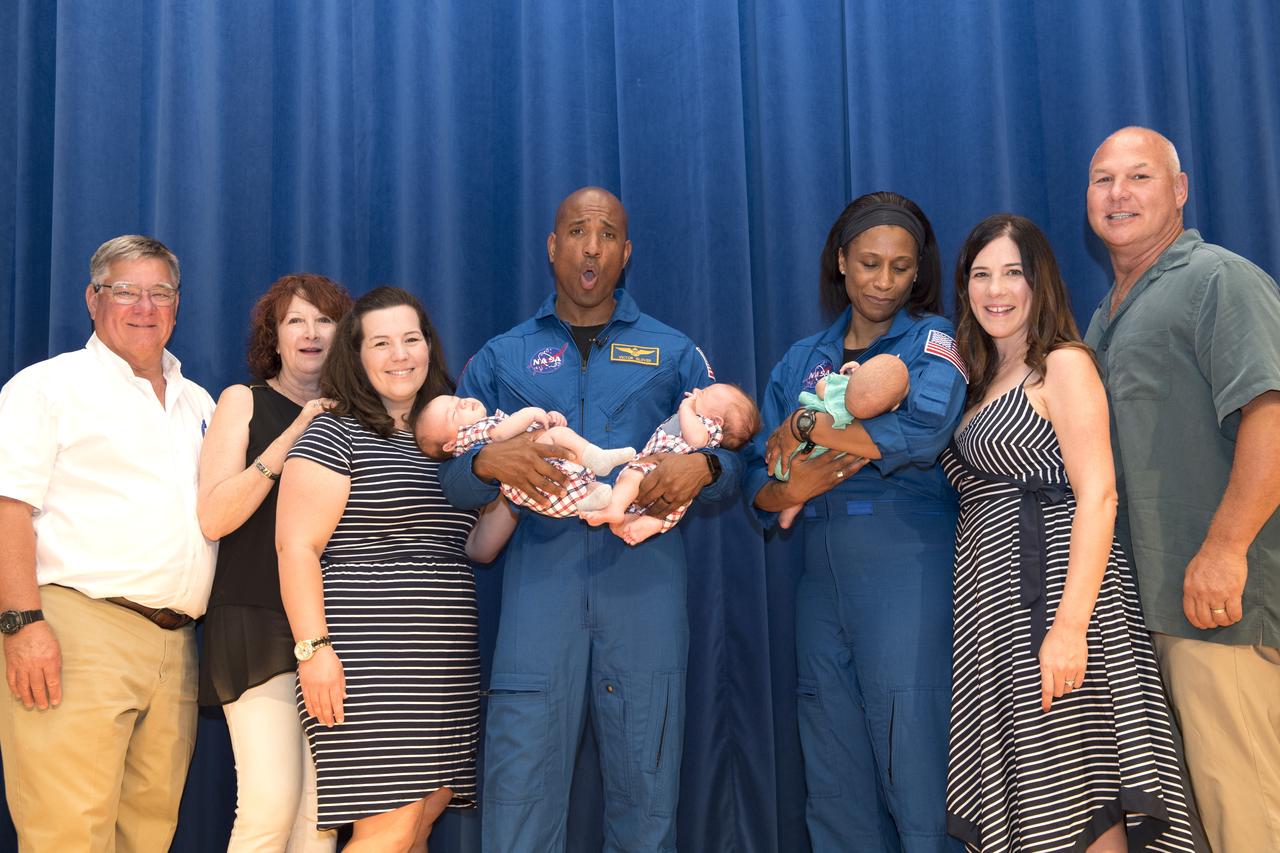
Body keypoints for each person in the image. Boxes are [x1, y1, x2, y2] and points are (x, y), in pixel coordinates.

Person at [439, 187, 743, 851]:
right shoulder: (502, 357)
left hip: (644, 595)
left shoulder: (673, 351)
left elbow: (737, 457)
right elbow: (452, 477)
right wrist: (491, 461)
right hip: (538, 603)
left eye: (608, 235)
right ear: (553, 247)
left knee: (647, 801)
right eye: (578, 231)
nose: (593, 246)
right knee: (518, 800)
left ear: (626, 253)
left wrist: (707, 469)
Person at [943, 213, 1196, 851]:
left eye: (1012, 274)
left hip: (1055, 613)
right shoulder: (976, 382)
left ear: (1040, 284)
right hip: (992, 627)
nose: (995, 290)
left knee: (1079, 801)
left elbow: (1099, 497)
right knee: (1029, 806)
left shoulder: (1063, 365)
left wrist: (1070, 628)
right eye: (981, 275)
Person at [745, 192, 966, 852]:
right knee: (833, 768)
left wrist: (815, 432)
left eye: (901, 267)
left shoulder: (934, 340)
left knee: (917, 758)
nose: (884, 280)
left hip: (906, 560)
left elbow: (924, 432)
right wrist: (800, 479)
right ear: (841, 262)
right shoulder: (799, 358)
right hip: (820, 574)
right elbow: (762, 481)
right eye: (869, 262)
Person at [1083, 126, 1280, 852]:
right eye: (1104, 180)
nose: (1119, 194)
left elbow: (1271, 412)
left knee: (1247, 809)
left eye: (1139, 177)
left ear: (1180, 189)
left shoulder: (1217, 279)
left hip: (1221, 605)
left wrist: (1226, 548)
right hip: (1153, 610)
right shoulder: (1106, 313)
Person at [275, 286, 512, 850]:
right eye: (380, 343)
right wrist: (314, 651)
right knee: (391, 826)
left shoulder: (456, 441)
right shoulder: (336, 432)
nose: (399, 354)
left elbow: (478, 548)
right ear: (355, 356)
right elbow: (296, 547)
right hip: (370, 664)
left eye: (411, 338)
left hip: (446, 663)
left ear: (429, 346)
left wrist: (514, 490)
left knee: (423, 817)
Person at [0, 235, 216, 850]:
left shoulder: (197, 401)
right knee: (66, 833)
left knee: (148, 835)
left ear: (178, 305)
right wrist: (22, 625)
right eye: (126, 291)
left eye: (161, 293)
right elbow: (7, 507)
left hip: (176, 646)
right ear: (93, 299)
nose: (144, 306)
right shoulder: (47, 387)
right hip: (75, 631)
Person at [197, 273, 353, 851]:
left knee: (321, 822)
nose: (311, 333)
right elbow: (214, 518)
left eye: (325, 320)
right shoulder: (242, 401)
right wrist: (297, 431)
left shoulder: (356, 419)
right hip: (253, 620)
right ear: (275, 336)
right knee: (269, 808)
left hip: (327, 629)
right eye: (295, 320)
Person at [582, 382, 760, 544]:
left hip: (662, 472)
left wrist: (686, 408)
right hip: (664, 487)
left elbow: (697, 440)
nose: (696, 391)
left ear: (716, 421)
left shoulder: (707, 426)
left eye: (703, 393)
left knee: (631, 475)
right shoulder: (699, 421)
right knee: (623, 521)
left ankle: (616, 508)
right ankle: (641, 524)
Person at [415, 395, 636, 514]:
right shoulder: (473, 433)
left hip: (542, 487)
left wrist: (547, 418)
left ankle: (593, 495)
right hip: (534, 477)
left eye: (455, 399)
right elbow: (501, 435)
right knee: (560, 437)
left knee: (573, 478)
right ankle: (596, 458)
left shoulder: (476, 430)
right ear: (450, 444)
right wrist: (531, 414)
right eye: (453, 412)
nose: (461, 402)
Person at [774, 353, 910, 528]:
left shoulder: (844, 386)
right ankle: (792, 508)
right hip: (821, 461)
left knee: (804, 480)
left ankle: (792, 503)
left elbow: (821, 388)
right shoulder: (877, 416)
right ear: (895, 406)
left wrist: (845, 378)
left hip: (790, 458)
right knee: (823, 473)